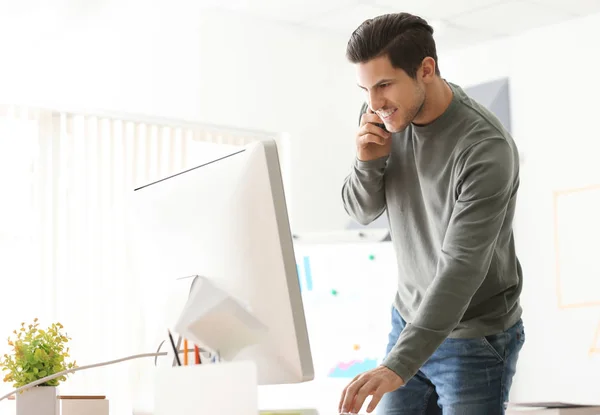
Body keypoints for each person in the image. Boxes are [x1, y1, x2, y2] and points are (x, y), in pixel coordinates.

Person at [338, 12, 525, 415]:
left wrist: (397, 365)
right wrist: (367, 163)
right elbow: (362, 210)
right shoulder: (381, 118)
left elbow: (461, 267)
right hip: (407, 320)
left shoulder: (484, 149)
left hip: (475, 336)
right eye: (366, 89)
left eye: (384, 84)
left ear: (426, 69)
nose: (374, 104)